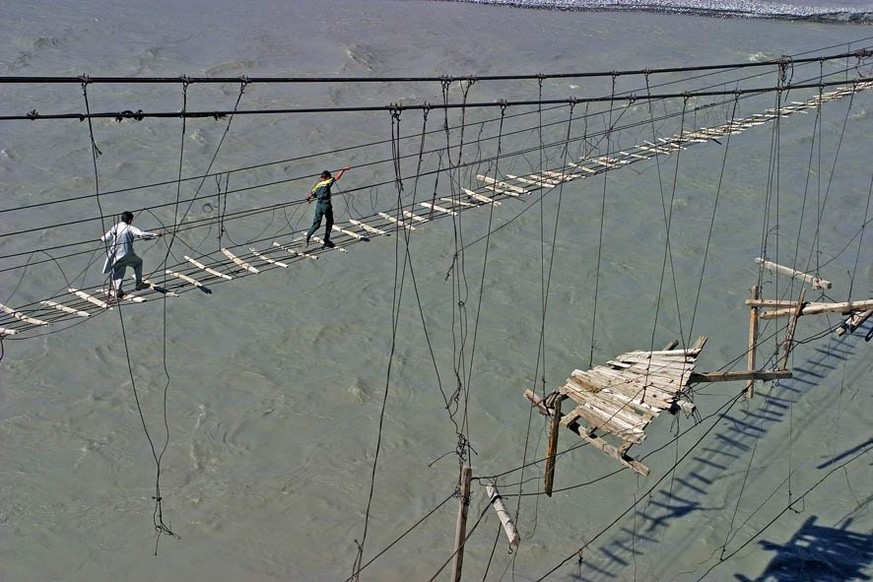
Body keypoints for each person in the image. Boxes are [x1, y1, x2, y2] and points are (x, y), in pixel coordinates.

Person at [100, 211, 162, 299]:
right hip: (127, 254)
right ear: (129, 220)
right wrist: (155, 234)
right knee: (138, 263)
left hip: (116, 254)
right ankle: (138, 284)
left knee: (118, 270)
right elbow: (141, 234)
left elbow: (107, 237)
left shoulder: (115, 227)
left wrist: (101, 239)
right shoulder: (130, 228)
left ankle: (118, 289)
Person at [305, 166, 349, 248]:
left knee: (316, 224)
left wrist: (308, 198)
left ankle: (308, 236)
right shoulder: (327, 182)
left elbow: (310, 195)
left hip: (318, 206)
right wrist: (343, 170)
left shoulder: (317, 185)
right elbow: (337, 177)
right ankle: (326, 240)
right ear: (327, 177)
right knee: (330, 221)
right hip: (326, 206)